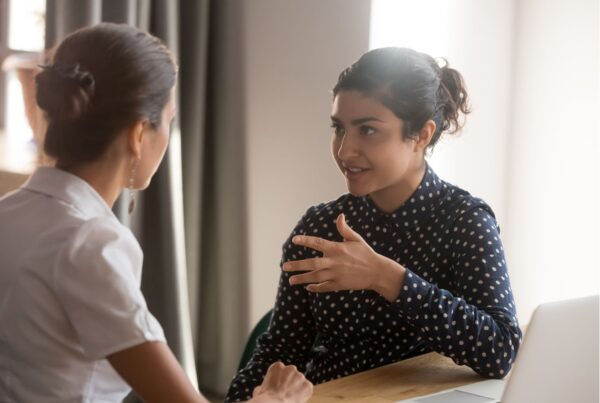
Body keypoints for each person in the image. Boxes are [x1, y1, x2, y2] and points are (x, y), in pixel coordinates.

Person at [0, 23, 312, 403]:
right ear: (137, 133)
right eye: (169, 120)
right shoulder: (91, 244)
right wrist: (276, 397)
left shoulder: (8, 213)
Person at [227, 47, 522, 402]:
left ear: (422, 135)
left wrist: (388, 278)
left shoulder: (465, 221)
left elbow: (501, 349)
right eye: (339, 128)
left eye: (367, 130)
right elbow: (279, 355)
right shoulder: (319, 227)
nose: (345, 150)